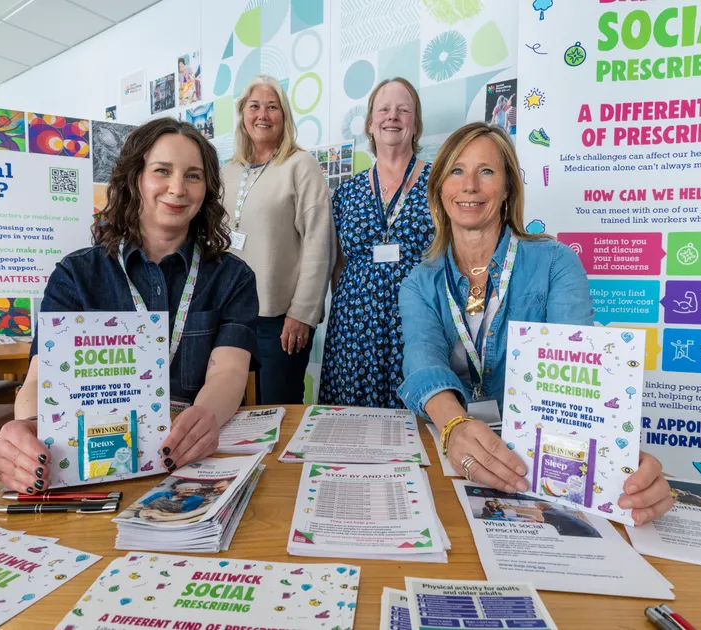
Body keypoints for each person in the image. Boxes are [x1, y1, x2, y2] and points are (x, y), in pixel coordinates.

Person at [398, 122, 673, 525]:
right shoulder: (419, 282)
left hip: (538, 464)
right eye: (456, 171)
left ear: (508, 188)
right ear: (439, 187)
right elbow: (423, 360)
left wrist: (615, 463)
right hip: (452, 457)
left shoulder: (556, 262)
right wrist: (454, 423)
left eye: (486, 171)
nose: (469, 185)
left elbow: (581, 377)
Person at [0, 118, 259, 494]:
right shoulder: (75, 275)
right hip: (94, 457)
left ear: (207, 189)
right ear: (136, 178)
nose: (177, 189)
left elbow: (228, 372)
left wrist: (205, 419)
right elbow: (40, 378)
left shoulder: (233, 277)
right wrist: (31, 431)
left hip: (193, 462)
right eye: (162, 171)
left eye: (193, 176)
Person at [320, 78, 432, 408]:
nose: (392, 117)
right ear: (371, 124)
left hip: (416, 322)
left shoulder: (440, 182)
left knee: (416, 417)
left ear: (416, 124)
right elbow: (338, 265)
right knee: (350, 424)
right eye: (383, 109)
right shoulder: (347, 192)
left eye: (403, 110)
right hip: (353, 329)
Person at [221, 74, 334, 404]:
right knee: (232, 412)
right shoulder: (227, 172)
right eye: (254, 106)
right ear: (243, 114)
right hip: (231, 318)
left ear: (284, 116)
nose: (263, 115)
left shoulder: (301, 165)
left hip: (280, 323)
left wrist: (302, 313)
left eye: (272, 107)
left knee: (276, 412)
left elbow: (319, 241)